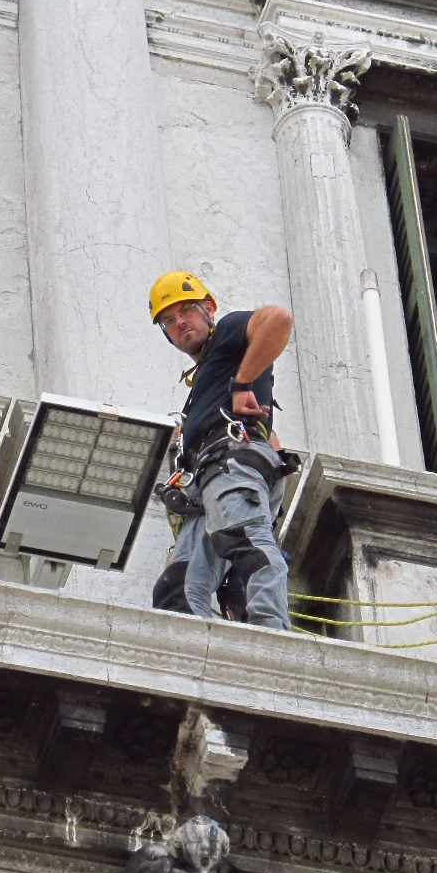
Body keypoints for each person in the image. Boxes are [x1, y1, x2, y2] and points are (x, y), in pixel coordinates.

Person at [148, 270, 298, 631]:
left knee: (245, 540)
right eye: (168, 320)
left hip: (230, 466)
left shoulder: (229, 333)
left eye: (186, 310)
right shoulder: (206, 384)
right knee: (177, 590)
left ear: (209, 308)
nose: (179, 322)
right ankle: (191, 663)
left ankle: (274, 637)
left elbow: (278, 320)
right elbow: (269, 443)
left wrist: (242, 383)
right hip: (210, 483)